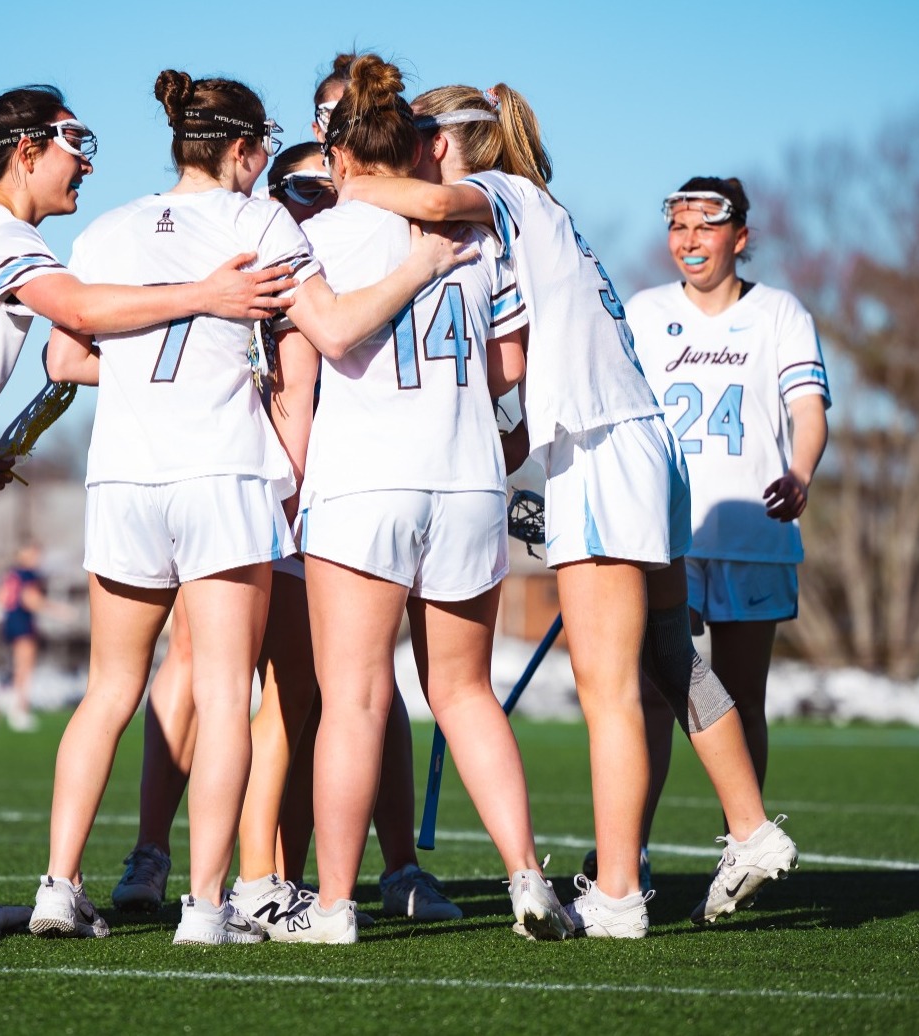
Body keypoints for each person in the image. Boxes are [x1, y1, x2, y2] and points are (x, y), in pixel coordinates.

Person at [0, 85, 296, 940]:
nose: (85, 160)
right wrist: (204, 295)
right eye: (72, 143)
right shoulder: (0, 236)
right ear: (25, 151)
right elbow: (80, 316)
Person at [341, 85, 799, 935]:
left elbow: (439, 202)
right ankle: (750, 827)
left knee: (608, 689)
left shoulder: (505, 193)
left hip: (599, 451)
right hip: (638, 447)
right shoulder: (536, 211)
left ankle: (618, 893)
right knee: (669, 656)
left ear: (448, 141)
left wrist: (347, 182)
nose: (403, 151)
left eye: (413, 136)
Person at [34, 69, 473, 945]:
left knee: (109, 690)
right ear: (240, 148)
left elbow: (62, 360)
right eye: (265, 148)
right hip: (223, 474)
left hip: (123, 475)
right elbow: (328, 327)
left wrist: (149, 355)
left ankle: (57, 885)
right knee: (227, 693)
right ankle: (206, 906)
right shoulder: (261, 220)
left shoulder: (110, 226)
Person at [277, 54, 567, 944]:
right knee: (465, 693)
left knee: (355, 698)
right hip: (468, 478)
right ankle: (527, 878)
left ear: (335, 145)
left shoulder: (313, 236)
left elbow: (312, 356)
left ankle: (331, 907)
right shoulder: (477, 240)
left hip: (365, 482)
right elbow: (508, 374)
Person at [626, 177, 830, 852]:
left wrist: (799, 473)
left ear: (738, 237)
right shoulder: (643, 312)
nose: (688, 241)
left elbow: (807, 410)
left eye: (704, 227)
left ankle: (740, 849)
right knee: (656, 695)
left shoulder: (778, 313)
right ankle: (632, 854)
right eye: (677, 227)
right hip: (667, 535)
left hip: (752, 535)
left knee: (740, 700)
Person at [0, 543, 51, 732]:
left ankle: (12, 705)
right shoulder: (29, 575)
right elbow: (31, 600)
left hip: (10, 622)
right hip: (23, 623)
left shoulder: (10, 573)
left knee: (18, 666)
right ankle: (20, 709)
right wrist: (59, 611)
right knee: (25, 667)